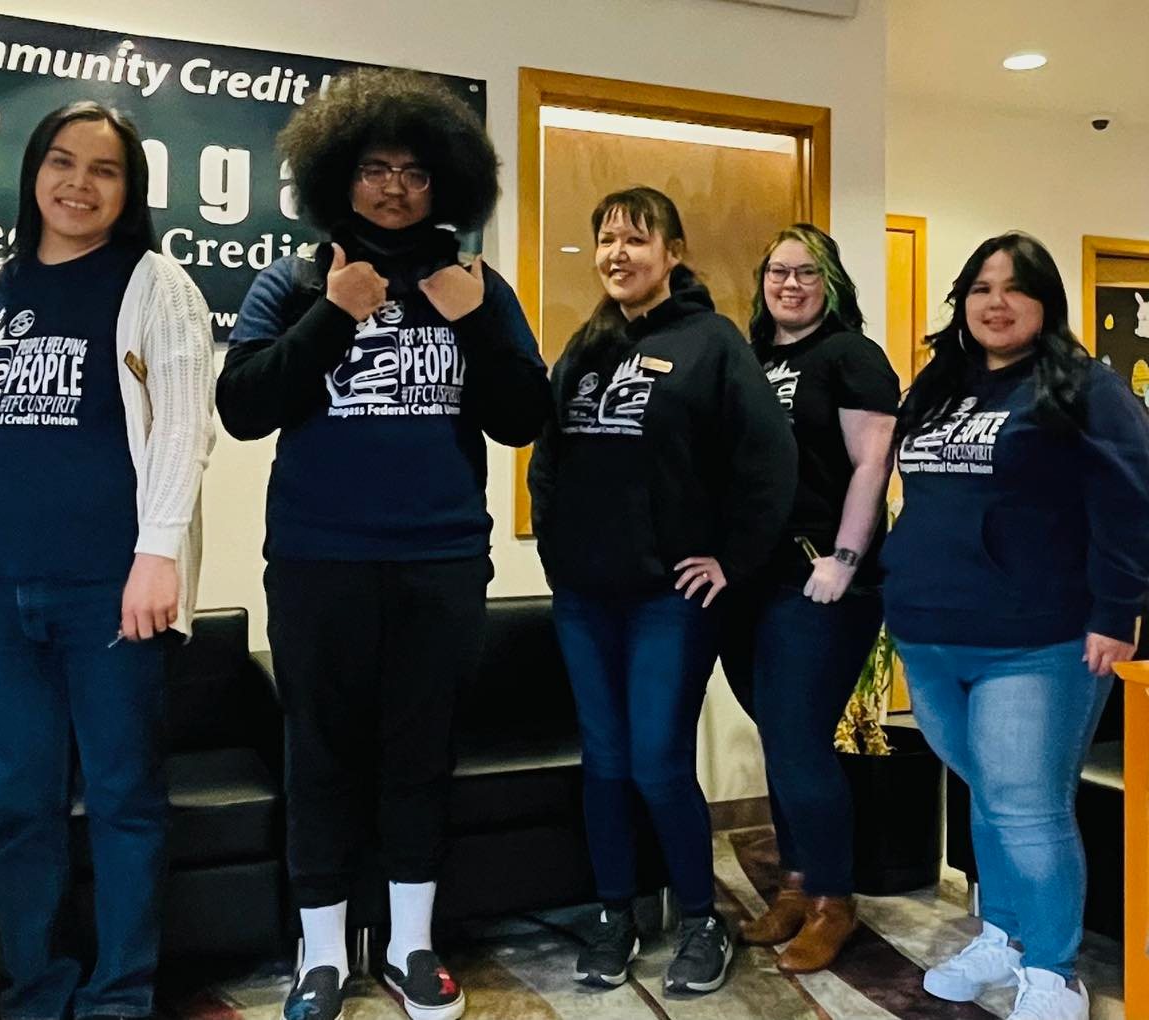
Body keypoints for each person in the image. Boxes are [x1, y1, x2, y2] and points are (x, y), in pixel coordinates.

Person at [217, 67, 549, 1020]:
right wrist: (335, 311)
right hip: (320, 558)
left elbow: (525, 420)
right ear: (338, 177)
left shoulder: (478, 286)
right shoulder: (292, 280)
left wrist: (477, 320)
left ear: (445, 182)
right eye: (374, 169)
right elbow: (243, 408)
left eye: (414, 171)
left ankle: (412, 946)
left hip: (441, 558)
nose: (395, 187)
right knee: (320, 752)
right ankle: (320, 954)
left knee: (420, 753)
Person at [0, 100, 215, 1020]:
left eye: (103, 169)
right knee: (22, 807)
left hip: (111, 590)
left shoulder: (154, 282)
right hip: (1, 588)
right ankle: (37, 992)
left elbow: (187, 425)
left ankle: (119, 996)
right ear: (33, 173)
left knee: (122, 801)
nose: (79, 183)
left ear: (130, 189)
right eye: (62, 162)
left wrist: (157, 558)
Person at [528, 186, 796, 996]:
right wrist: (558, 553)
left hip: (666, 601)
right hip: (584, 597)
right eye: (606, 239)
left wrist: (731, 559)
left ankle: (703, 919)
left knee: (656, 761)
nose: (617, 254)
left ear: (672, 253)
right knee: (603, 762)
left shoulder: (712, 343)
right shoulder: (587, 342)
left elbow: (768, 462)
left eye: (636, 241)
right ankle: (616, 912)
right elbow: (549, 460)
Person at [884, 232, 1149, 1020]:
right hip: (930, 632)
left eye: (1014, 289)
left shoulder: (1084, 387)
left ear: (1045, 301)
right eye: (979, 289)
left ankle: (1054, 969)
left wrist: (1117, 612)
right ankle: (1002, 935)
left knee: (1029, 804)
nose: (995, 304)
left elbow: (1131, 504)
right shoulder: (939, 385)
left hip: (1038, 639)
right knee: (989, 793)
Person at [719, 224, 899, 973]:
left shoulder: (850, 356)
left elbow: (870, 462)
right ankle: (794, 886)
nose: (790, 284)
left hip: (817, 577)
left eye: (806, 273)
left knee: (798, 741)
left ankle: (833, 901)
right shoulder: (752, 359)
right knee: (781, 740)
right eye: (778, 272)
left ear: (831, 282)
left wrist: (846, 559)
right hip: (749, 582)